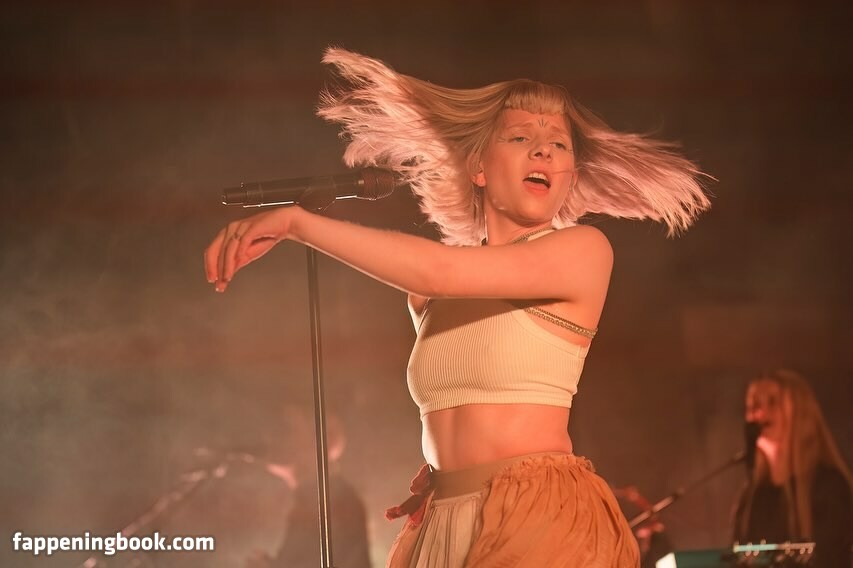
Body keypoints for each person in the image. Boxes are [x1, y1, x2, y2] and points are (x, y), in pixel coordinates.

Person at [205, 48, 710, 567]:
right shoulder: (426, 299)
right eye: (521, 138)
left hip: (539, 516)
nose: (543, 150)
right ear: (479, 167)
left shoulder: (582, 251)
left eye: (558, 144)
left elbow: (437, 269)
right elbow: (441, 294)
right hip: (445, 520)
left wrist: (297, 224)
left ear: (570, 174)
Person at [733, 369, 852, 567]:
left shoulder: (828, 486)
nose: (759, 413)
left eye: (772, 402)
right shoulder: (752, 496)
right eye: (753, 405)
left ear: (800, 413)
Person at [246, 404, 371, 568]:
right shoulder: (311, 499)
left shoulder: (338, 501)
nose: (272, 437)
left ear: (325, 439)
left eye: (288, 429)